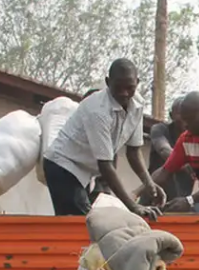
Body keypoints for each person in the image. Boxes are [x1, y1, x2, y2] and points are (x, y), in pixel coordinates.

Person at [43, 59, 163, 219]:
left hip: (85, 171)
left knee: (88, 224)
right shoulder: (98, 111)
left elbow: (133, 152)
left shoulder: (138, 105)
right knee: (83, 226)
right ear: (108, 82)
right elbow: (105, 165)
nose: (124, 93)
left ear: (137, 83)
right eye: (118, 87)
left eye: (130, 88)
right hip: (63, 166)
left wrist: (149, 184)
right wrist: (133, 207)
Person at [148, 97, 194, 201]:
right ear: (171, 115)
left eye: (188, 113)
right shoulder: (160, 129)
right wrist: (184, 164)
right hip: (155, 193)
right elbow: (163, 150)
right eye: (180, 113)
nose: (184, 117)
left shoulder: (196, 136)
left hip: (181, 198)